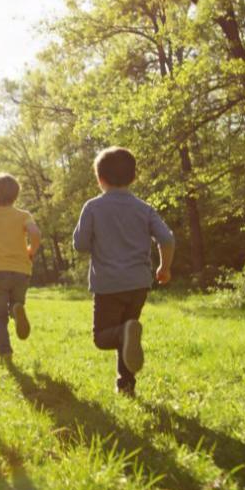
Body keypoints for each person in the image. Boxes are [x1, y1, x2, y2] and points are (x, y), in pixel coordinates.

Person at [73, 147, 175, 396]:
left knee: (104, 337)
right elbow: (167, 239)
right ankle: (126, 386)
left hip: (108, 283)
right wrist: (164, 267)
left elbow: (80, 245)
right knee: (128, 334)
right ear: (133, 177)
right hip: (139, 283)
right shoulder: (144, 208)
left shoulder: (93, 207)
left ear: (100, 179)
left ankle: (124, 345)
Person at [0, 173, 41, 363]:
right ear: (16, 195)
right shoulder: (23, 216)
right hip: (21, 270)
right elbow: (35, 233)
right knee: (16, 303)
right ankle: (17, 310)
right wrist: (31, 250)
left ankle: (5, 352)